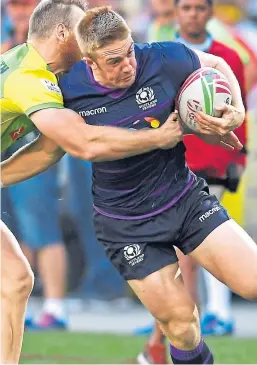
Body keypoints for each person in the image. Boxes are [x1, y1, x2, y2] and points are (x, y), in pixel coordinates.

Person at [57, 6, 257, 365]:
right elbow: (81, 144)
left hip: (184, 199)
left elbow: (214, 64)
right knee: (182, 324)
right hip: (125, 224)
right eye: (114, 61)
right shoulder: (67, 86)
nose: (128, 65)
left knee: (253, 280)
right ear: (90, 62)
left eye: (129, 51)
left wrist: (237, 111)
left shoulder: (164, 57)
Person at [0, 0, 195, 362]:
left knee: (16, 281)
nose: (87, 36)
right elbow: (82, 143)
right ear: (62, 33)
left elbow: (48, 151)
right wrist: (156, 138)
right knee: (15, 280)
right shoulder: (32, 79)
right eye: (79, 29)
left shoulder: (23, 64)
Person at [138, 0, 248, 361]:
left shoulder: (227, 56)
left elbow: (239, 109)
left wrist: (239, 155)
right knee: (187, 248)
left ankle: (206, 316)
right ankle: (180, 321)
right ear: (176, 13)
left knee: (206, 242)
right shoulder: (164, 53)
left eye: (200, 8)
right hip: (172, 162)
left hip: (212, 161)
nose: (193, 14)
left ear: (210, 13)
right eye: (186, 8)